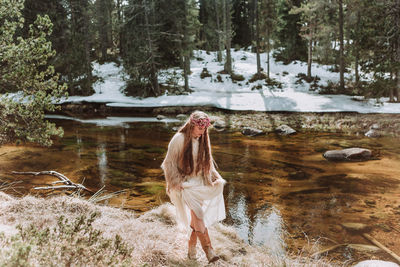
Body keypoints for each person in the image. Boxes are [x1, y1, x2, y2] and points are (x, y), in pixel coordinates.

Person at [161, 111, 226, 263]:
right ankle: (209, 250)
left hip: (200, 183)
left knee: (197, 217)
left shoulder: (202, 140)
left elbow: (207, 163)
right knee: (198, 214)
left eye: (204, 129)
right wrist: (177, 182)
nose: (202, 132)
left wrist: (216, 178)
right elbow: (168, 164)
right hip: (185, 184)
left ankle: (191, 248)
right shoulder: (179, 139)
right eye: (199, 128)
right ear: (191, 125)